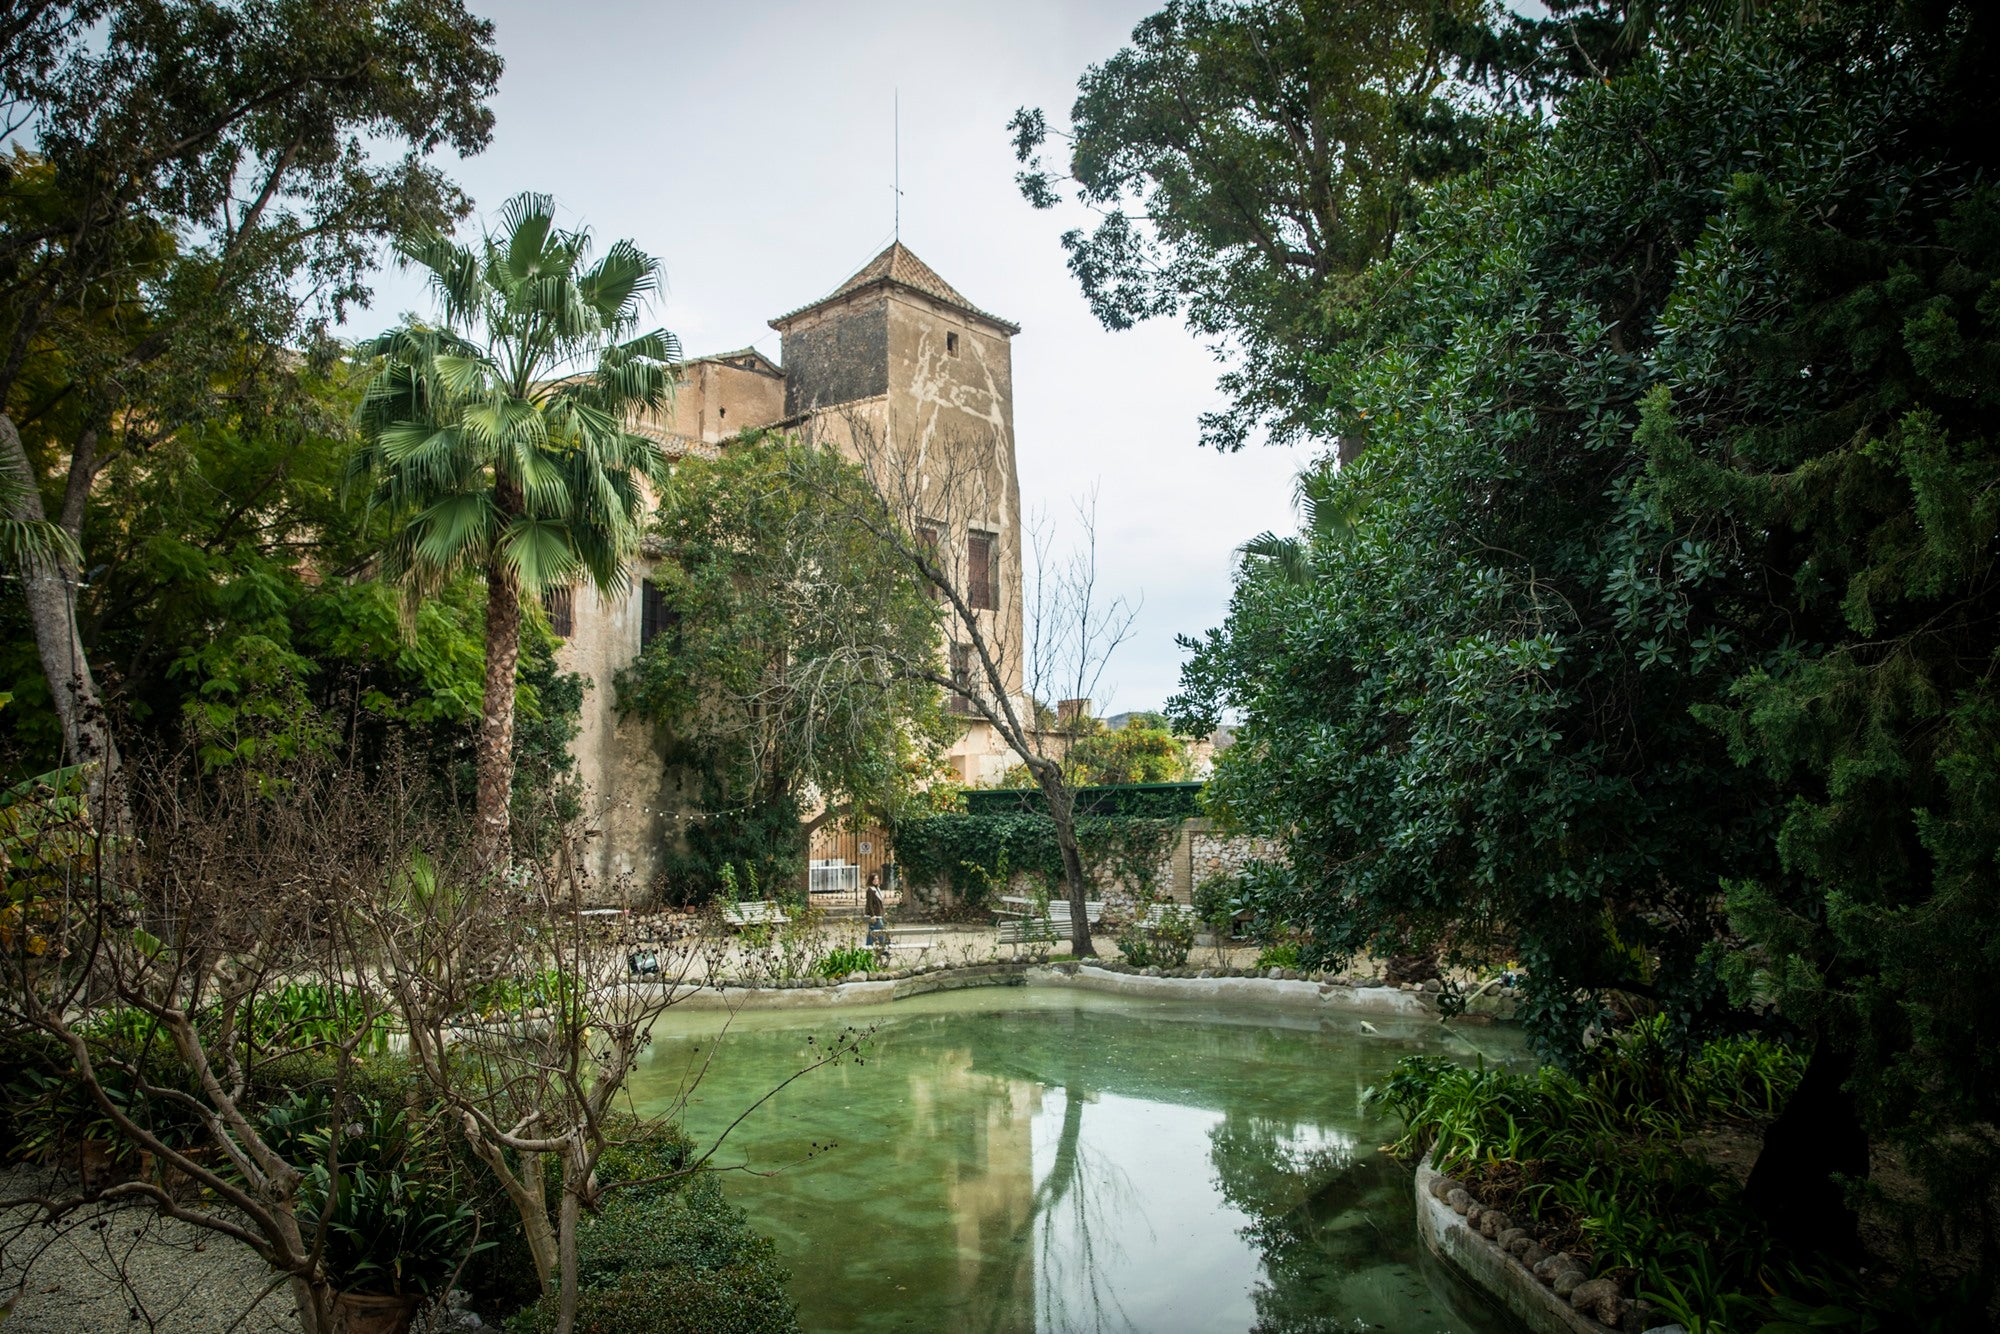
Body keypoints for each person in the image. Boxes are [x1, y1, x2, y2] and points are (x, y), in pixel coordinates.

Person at [865, 873, 887, 947]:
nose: (876, 880)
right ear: (871, 880)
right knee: (880, 929)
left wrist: (883, 912)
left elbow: (880, 903)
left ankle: (869, 945)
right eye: (874, 879)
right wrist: (872, 915)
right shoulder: (870, 890)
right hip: (875, 914)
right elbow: (869, 903)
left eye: (877, 879)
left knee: (872, 930)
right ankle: (883, 944)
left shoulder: (878, 889)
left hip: (879, 913)